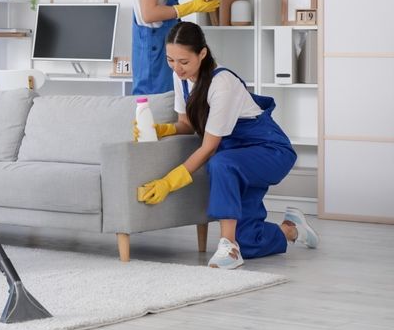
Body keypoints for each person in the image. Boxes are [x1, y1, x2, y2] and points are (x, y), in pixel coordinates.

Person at [136, 21, 319, 269]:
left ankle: (228, 247)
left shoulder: (222, 84)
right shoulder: (181, 78)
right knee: (250, 241)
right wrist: (161, 129)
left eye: (184, 62)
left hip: (269, 150)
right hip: (235, 158)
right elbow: (186, 124)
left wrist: (169, 182)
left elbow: (209, 147)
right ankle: (292, 229)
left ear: (202, 53)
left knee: (220, 163)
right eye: (171, 60)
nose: (177, 68)